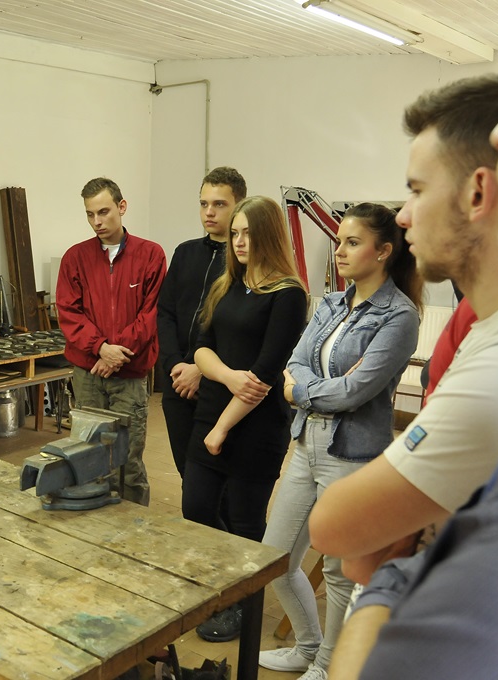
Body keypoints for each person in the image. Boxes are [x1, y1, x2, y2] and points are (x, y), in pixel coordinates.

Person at [325, 63, 498, 680]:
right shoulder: (481, 328)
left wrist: (394, 572)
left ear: (477, 193)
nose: (403, 215)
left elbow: (336, 526)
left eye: (414, 190)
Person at [258, 204, 421, 680]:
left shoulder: (400, 316)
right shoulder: (331, 303)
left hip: (352, 452)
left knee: (338, 568)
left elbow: (356, 391)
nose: (340, 251)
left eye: (352, 242)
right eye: (338, 241)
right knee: (275, 556)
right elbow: (294, 362)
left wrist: (301, 392)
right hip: (306, 443)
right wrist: (316, 388)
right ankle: (308, 646)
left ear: (383, 251)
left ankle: (329, 665)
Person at [182, 195, 308, 642]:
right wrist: (227, 377)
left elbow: (265, 375)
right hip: (213, 411)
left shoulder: (288, 295)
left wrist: (223, 427)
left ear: (268, 235)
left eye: (248, 233)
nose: (238, 241)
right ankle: (222, 584)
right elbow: (200, 348)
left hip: (256, 427)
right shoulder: (226, 285)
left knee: (245, 521)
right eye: (235, 233)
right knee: (196, 507)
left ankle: (243, 605)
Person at [55, 177, 167, 506]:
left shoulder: (150, 255)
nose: (97, 222)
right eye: (90, 214)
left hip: (129, 375)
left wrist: (117, 354)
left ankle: (135, 526)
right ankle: (93, 525)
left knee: (128, 462)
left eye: (103, 212)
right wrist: (100, 349)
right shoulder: (75, 258)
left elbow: (152, 313)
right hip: (89, 374)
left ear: (122, 207)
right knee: (88, 456)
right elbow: (68, 312)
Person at [157, 167, 247, 478]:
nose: (209, 212)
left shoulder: (245, 263)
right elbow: (165, 312)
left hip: (217, 385)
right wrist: (174, 365)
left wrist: (200, 369)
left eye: (219, 204)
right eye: (204, 203)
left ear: (239, 205)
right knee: (188, 475)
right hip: (176, 382)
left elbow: (239, 333)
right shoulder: (185, 253)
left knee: (216, 476)